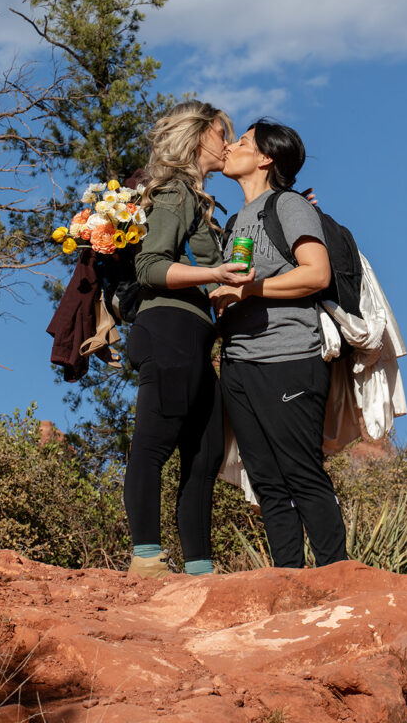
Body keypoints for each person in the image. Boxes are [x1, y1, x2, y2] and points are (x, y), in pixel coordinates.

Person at [124, 100, 254, 578]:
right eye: (224, 132)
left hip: (196, 336)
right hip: (169, 329)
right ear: (200, 136)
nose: (229, 142)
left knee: (205, 453)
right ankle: (146, 559)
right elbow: (150, 266)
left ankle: (200, 569)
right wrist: (213, 271)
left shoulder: (200, 200)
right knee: (154, 444)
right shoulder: (175, 192)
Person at [211, 120, 347, 569]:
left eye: (243, 142)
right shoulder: (235, 222)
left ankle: (336, 577)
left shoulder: (287, 205)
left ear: (267, 158)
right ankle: (288, 581)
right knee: (267, 481)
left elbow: (316, 274)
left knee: (302, 473)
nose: (231, 147)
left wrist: (249, 292)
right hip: (239, 365)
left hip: (288, 357)